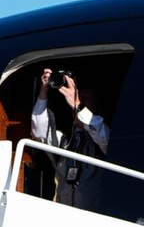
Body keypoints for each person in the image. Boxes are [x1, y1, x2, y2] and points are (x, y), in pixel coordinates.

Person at [30, 67, 110, 208]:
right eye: (78, 98)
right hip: (64, 217)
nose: (79, 101)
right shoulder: (66, 140)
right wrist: (44, 91)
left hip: (95, 219)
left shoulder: (103, 136)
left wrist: (78, 105)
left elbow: (101, 134)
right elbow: (39, 132)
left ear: (97, 106)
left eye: (85, 99)